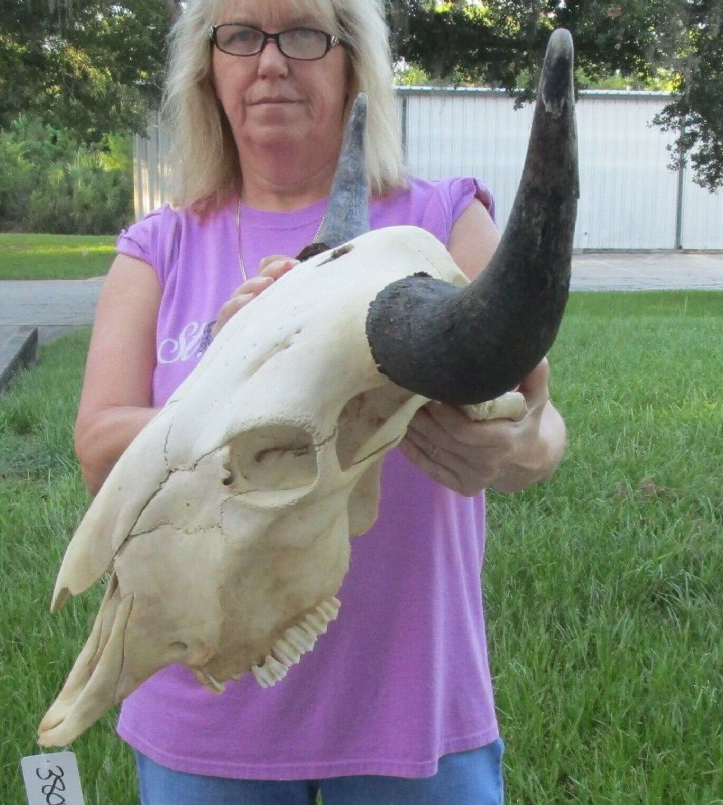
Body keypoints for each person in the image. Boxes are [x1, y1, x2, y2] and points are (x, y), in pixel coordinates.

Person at [74, 0, 567, 802]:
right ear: (208, 67)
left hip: (412, 707)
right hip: (203, 716)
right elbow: (100, 449)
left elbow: (539, 426)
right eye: (239, 36)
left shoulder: (442, 220)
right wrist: (231, 373)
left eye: (304, 33)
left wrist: (514, 446)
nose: (270, 62)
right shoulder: (157, 249)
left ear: (351, 59)